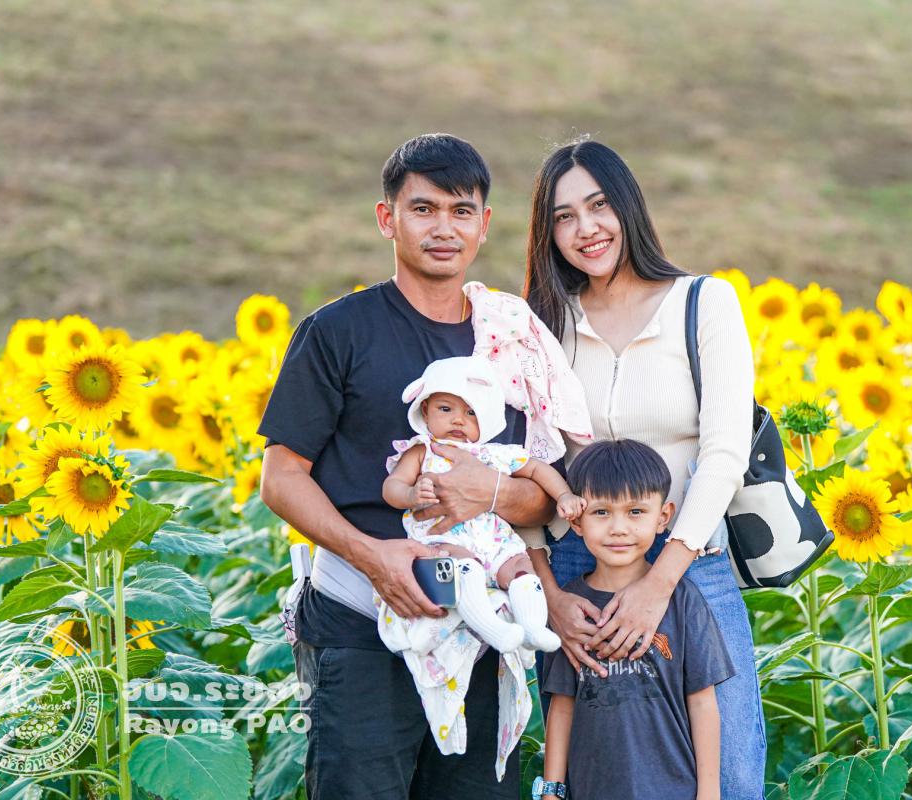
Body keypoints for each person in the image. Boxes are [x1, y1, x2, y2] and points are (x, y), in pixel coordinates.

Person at [259, 133, 556, 800]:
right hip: (361, 623)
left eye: (461, 211)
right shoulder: (338, 332)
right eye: (423, 209)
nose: (443, 228)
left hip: (479, 633)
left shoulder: (508, 340)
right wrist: (374, 558)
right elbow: (281, 477)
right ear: (386, 218)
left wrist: (491, 492)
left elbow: (541, 491)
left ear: (484, 224)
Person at [522, 138, 767, 799]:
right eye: (564, 217)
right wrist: (549, 593)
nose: (586, 229)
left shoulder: (703, 302)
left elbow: (724, 451)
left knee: (729, 773)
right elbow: (530, 459)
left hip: (691, 561)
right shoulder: (546, 324)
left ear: (628, 206)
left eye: (599, 206)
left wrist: (660, 581)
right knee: (598, 771)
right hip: (579, 572)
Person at [377, 355, 574, 777]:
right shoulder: (423, 451)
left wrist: (564, 497)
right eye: (446, 408)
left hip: (493, 540)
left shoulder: (495, 454)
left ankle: (532, 627)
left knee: (520, 567)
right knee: (460, 566)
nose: (458, 420)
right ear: (425, 411)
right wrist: (411, 496)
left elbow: (538, 469)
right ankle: (493, 628)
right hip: (445, 540)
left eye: (471, 412)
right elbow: (392, 486)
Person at [538, 440, 732, 800]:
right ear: (576, 520)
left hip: (673, 790)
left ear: (664, 517)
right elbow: (562, 705)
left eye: (636, 512)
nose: (618, 528)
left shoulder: (683, 601)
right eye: (601, 512)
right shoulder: (571, 610)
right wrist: (551, 790)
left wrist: (709, 793)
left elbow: (703, 702)